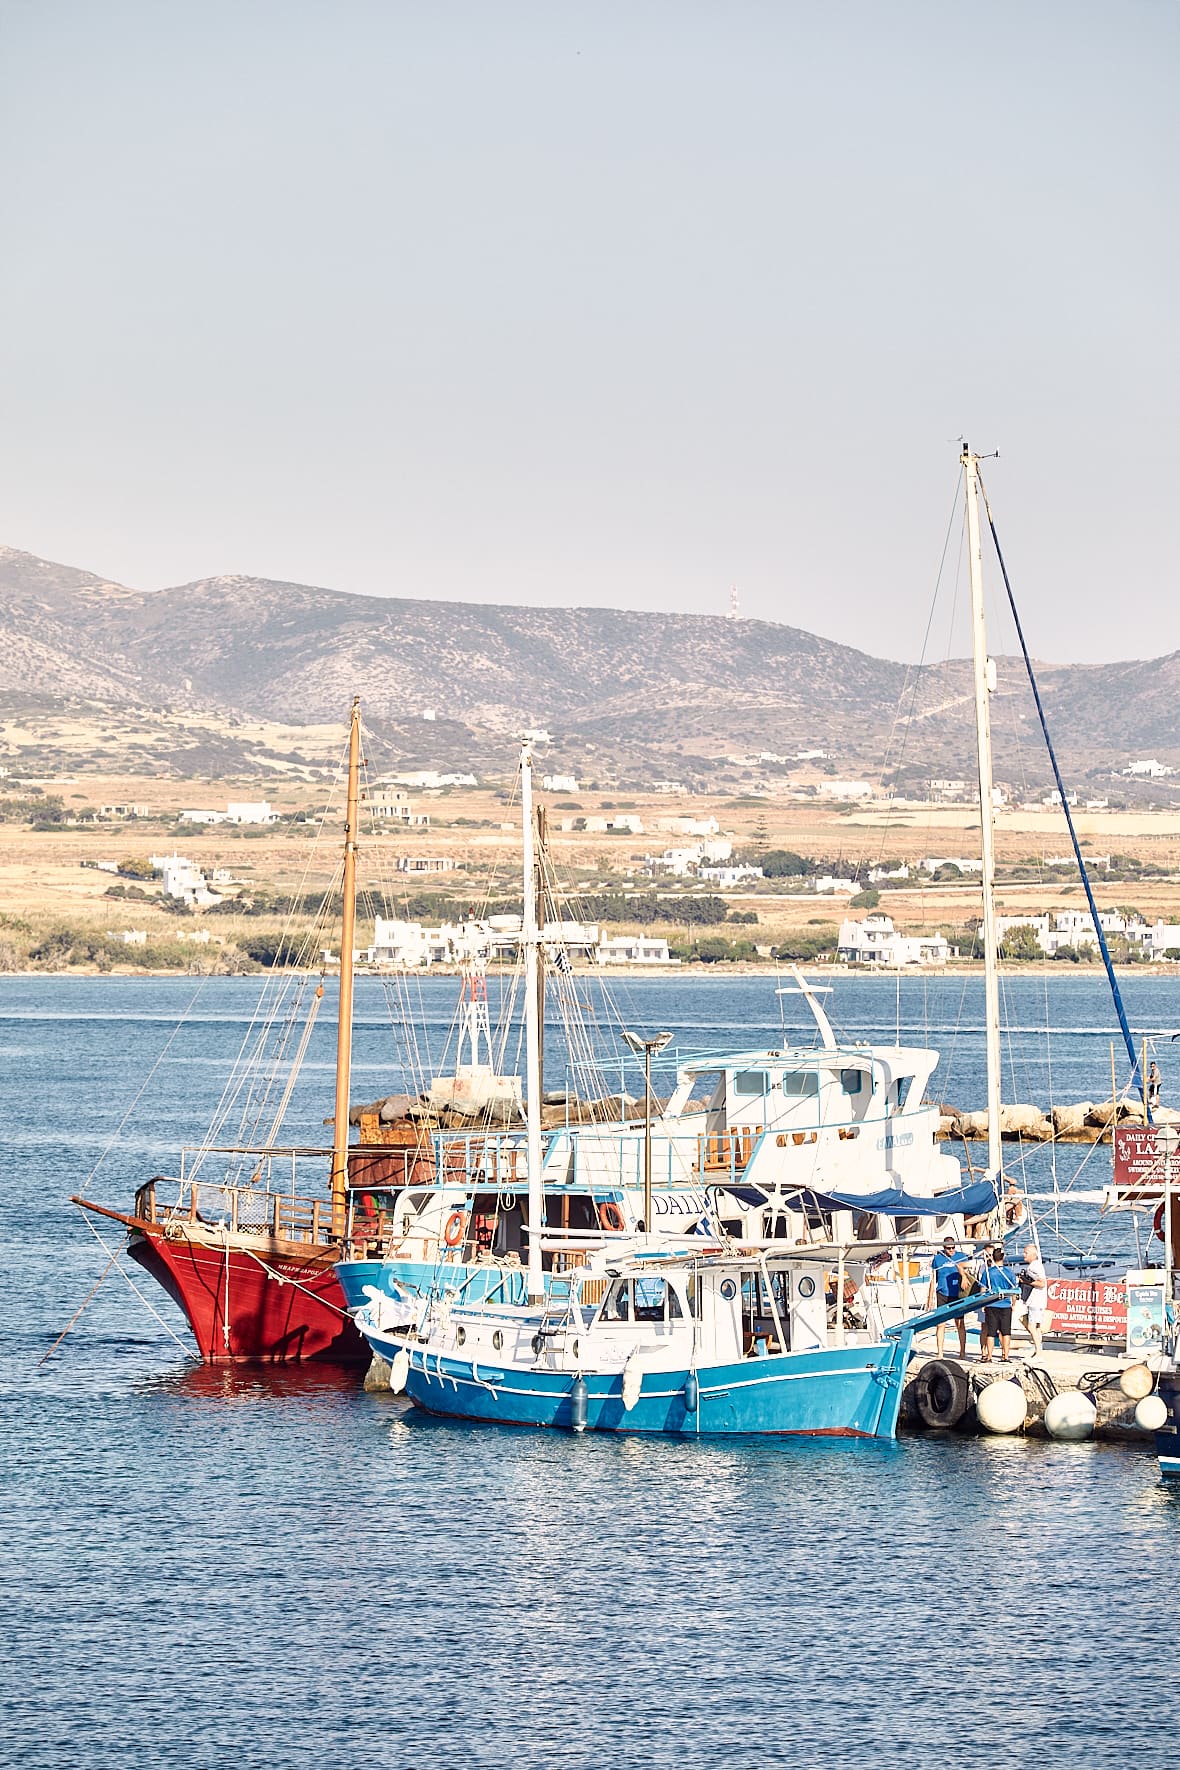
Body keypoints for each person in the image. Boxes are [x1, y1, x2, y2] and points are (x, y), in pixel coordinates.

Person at [927, 1234, 968, 1358]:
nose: (951, 1250)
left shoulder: (961, 1256)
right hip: (942, 1293)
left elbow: (969, 1271)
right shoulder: (938, 1259)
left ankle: (962, 1352)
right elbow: (933, 1278)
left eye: (953, 1248)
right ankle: (940, 1352)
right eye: (948, 1248)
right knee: (941, 1324)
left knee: (960, 1323)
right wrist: (930, 1297)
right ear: (944, 1248)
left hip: (957, 1293)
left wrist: (964, 1276)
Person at [979, 1242, 1019, 1363]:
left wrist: (982, 1304)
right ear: (1003, 1257)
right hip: (1005, 1304)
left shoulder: (988, 1272)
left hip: (992, 1304)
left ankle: (989, 1356)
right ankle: (1005, 1356)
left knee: (991, 1332)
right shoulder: (1009, 1272)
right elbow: (1013, 1290)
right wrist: (1013, 1303)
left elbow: (983, 1289)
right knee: (1006, 1331)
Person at [1019, 1241, 1048, 1357]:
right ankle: (1037, 1351)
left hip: (1036, 1300)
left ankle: (1039, 1351)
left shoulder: (1034, 1266)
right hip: (1038, 1300)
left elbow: (1041, 1283)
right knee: (1036, 1326)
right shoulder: (1037, 1265)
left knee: (1031, 1326)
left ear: (1032, 1254)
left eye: (1026, 1253)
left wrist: (1025, 1281)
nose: (1023, 1255)